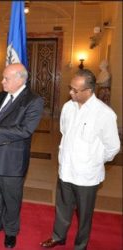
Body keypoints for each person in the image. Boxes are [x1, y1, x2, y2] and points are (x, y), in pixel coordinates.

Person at [40, 69, 120, 250]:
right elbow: (63, 132)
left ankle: (80, 245)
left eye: (75, 90)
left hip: (87, 175)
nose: (71, 93)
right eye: (71, 88)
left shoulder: (104, 114)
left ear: (88, 91)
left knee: (84, 214)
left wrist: (94, 160)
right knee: (62, 207)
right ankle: (58, 236)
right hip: (66, 169)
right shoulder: (68, 107)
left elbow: (113, 147)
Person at [0, 63, 44, 248]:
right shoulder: (1, 95)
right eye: (3, 77)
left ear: (20, 79)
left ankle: (11, 232)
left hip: (12, 160)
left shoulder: (33, 100)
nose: (2, 81)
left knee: (12, 199)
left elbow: (26, 130)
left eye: (6, 78)